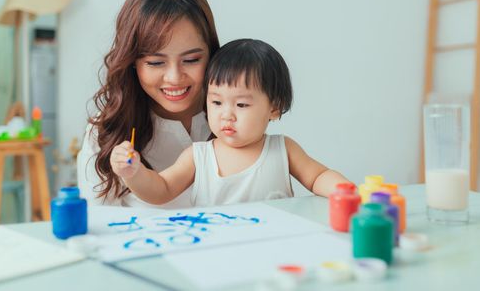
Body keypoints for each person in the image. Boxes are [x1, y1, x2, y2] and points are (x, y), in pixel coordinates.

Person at [112, 39, 350, 206]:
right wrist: (133, 173)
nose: (227, 115)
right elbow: (161, 190)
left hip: (273, 250)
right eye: (216, 103)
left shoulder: (283, 149)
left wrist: (350, 193)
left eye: (241, 105)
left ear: (274, 108)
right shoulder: (198, 156)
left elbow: (319, 177)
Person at [77, 0, 219, 207]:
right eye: (155, 62)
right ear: (132, 62)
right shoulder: (104, 135)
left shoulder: (238, 116)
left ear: (212, 54)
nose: (174, 77)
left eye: (191, 59)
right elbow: (98, 228)